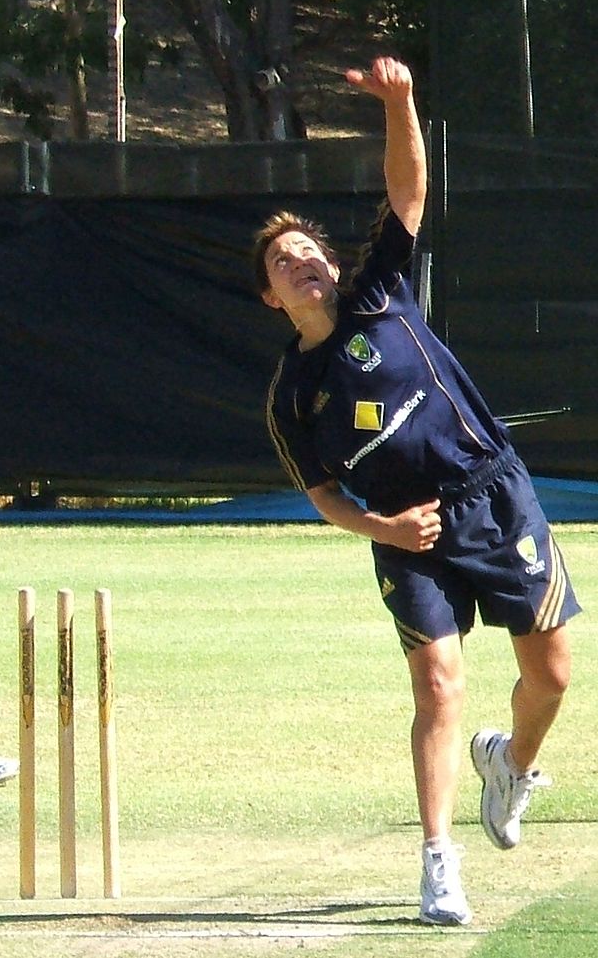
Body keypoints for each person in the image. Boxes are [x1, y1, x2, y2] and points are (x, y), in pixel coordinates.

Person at [254, 57, 581, 926]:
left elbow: (407, 191)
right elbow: (322, 492)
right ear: (272, 296)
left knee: (550, 675)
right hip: (411, 534)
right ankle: (439, 861)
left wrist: (400, 103)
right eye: (285, 263)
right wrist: (383, 528)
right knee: (438, 686)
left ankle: (508, 762)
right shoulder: (292, 395)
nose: (303, 263)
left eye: (309, 251)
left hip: (494, 492)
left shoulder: (379, 292)